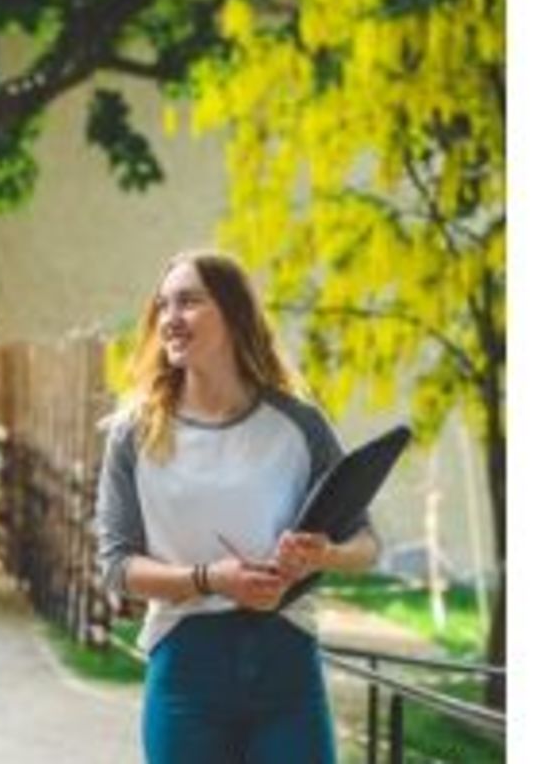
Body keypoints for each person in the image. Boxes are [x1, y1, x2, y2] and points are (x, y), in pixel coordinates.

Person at [94, 250, 381, 763]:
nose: (170, 319)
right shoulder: (133, 434)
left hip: (287, 666)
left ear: (233, 313)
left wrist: (324, 554)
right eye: (163, 306)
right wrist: (211, 579)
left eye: (188, 302)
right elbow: (116, 566)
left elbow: (366, 544)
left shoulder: (299, 424)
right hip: (185, 669)